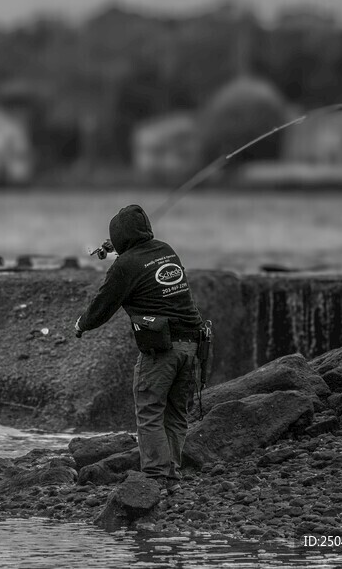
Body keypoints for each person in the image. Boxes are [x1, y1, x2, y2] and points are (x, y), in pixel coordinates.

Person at [74, 204, 206, 495]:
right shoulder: (166, 250)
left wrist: (82, 324)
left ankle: (156, 478)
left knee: (150, 412)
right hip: (192, 345)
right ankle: (170, 476)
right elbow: (142, 259)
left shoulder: (125, 266)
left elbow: (103, 305)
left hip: (161, 350)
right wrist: (121, 247)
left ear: (119, 237)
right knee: (175, 413)